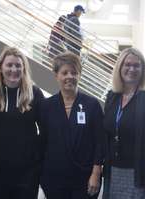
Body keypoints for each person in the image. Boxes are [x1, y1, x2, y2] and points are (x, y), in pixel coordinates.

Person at [102, 48, 145, 199]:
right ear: (119, 67)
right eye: (127, 64)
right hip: (114, 172)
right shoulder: (112, 97)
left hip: (141, 174)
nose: (131, 69)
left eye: (136, 65)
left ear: (143, 70)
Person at [0, 47, 44, 199]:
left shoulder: (35, 94)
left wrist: (36, 158)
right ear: (1, 67)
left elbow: (46, 130)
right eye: (9, 65)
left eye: (18, 65)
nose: (13, 69)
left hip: (27, 174)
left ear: (24, 68)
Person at [39, 52, 104, 199]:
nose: (69, 76)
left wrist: (96, 173)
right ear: (56, 75)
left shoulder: (92, 105)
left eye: (74, 72)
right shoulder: (46, 106)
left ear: (79, 75)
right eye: (64, 72)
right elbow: (43, 142)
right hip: (54, 180)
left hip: (85, 179)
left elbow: (100, 142)